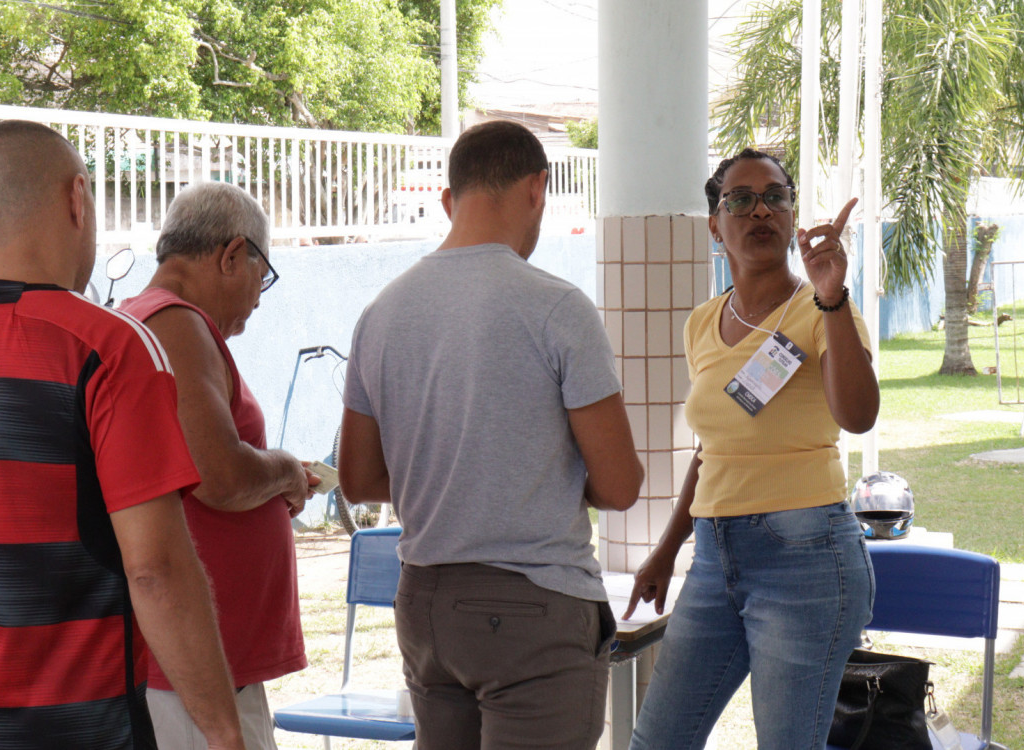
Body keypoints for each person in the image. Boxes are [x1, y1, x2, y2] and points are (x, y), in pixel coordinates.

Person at [0, 120, 244, 750]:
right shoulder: (109, 350)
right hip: (81, 728)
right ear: (78, 200)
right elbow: (156, 572)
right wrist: (227, 734)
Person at [337, 120, 644, 750]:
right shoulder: (557, 307)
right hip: (534, 607)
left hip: (423, 601)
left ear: (450, 199)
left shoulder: (381, 313)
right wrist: (534, 468)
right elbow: (619, 484)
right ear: (538, 188)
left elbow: (359, 479)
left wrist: (458, 469)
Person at [624, 148, 879, 750]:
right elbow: (715, 446)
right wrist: (667, 550)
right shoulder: (701, 323)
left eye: (775, 197)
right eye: (740, 199)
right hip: (715, 558)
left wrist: (833, 297)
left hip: (807, 557)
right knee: (657, 741)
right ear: (716, 224)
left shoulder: (824, 309)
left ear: (792, 219)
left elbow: (859, 415)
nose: (759, 209)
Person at [119, 182, 315, 750]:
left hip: (192, 665)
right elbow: (218, 476)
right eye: (263, 274)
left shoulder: (148, 319)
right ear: (232, 255)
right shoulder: (174, 323)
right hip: (194, 671)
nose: (259, 296)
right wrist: (284, 471)